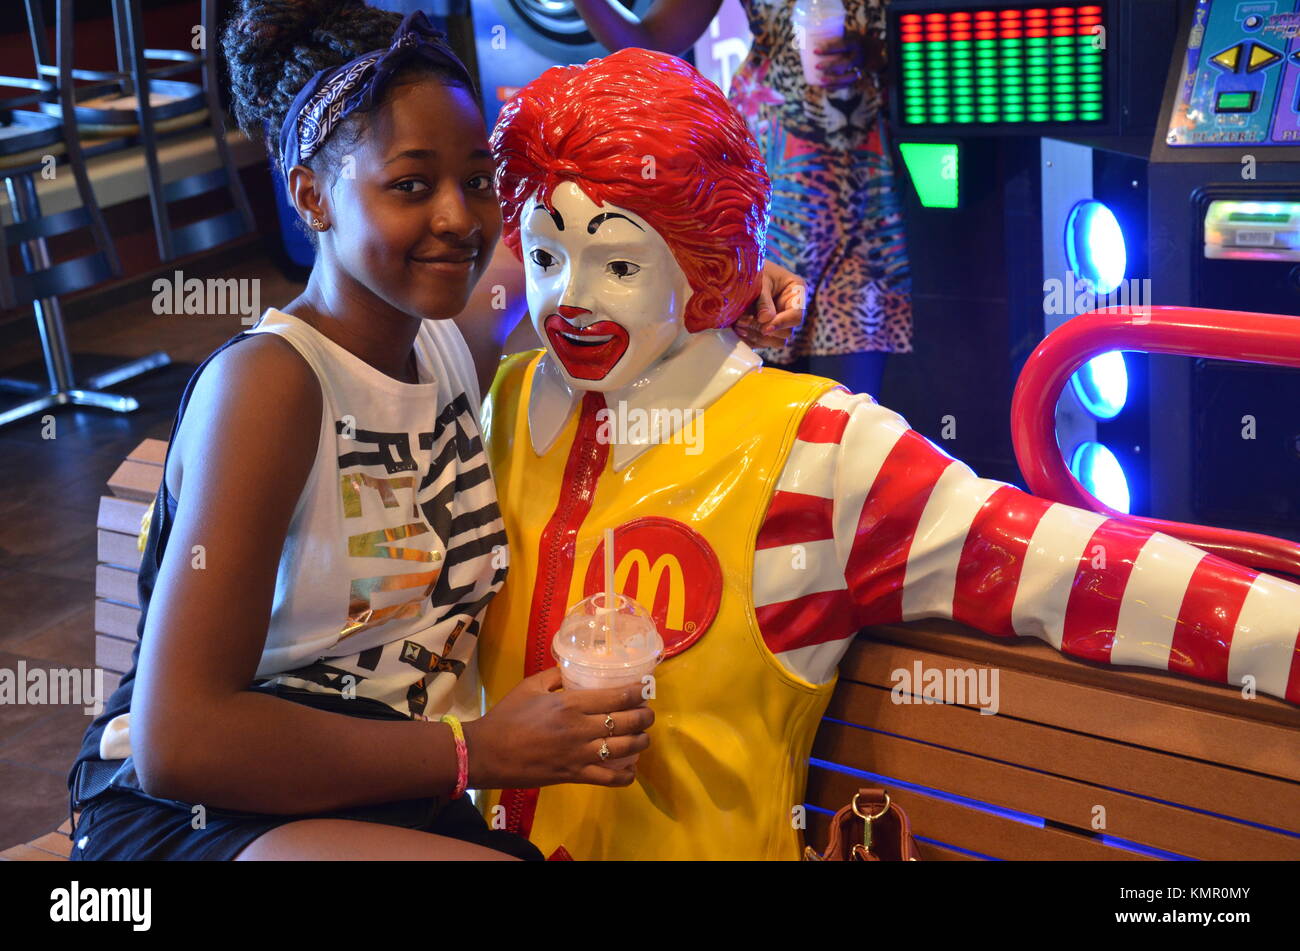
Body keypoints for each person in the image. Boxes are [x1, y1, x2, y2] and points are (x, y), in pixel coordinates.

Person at [475, 46, 1300, 861]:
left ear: (709, 263)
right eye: (545, 259)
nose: (568, 301)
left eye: (618, 264)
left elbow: (1065, 565)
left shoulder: (818, 451)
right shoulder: (509, 405)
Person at [63, 2, 803, 861]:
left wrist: (717, 278)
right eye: (411, 185)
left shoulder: (450, 337)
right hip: (204, 811)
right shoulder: (271, 386)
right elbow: (177, 740)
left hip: (385, 799)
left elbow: (594, 260)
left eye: (477, 180)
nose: (458, 217)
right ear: (312, 195)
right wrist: (475, 750)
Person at [571, 0, 909, 397]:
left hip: (867, 174)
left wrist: (878, 51)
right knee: (746, 371)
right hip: (766, 174)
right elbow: (650, 41)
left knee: (847, 402)